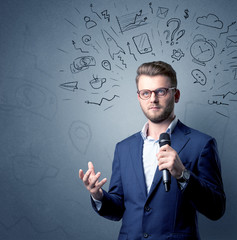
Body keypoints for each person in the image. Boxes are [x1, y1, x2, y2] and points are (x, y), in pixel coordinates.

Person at [79, 61, 226, 239]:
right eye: (146, 93)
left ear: (176, 95)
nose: (153, 99)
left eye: (161, 91)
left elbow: (216, 209)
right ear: (139, 97)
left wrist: (182, 174)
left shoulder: (201, 144)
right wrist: (98, 195)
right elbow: (118, 210)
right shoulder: (124, 148)